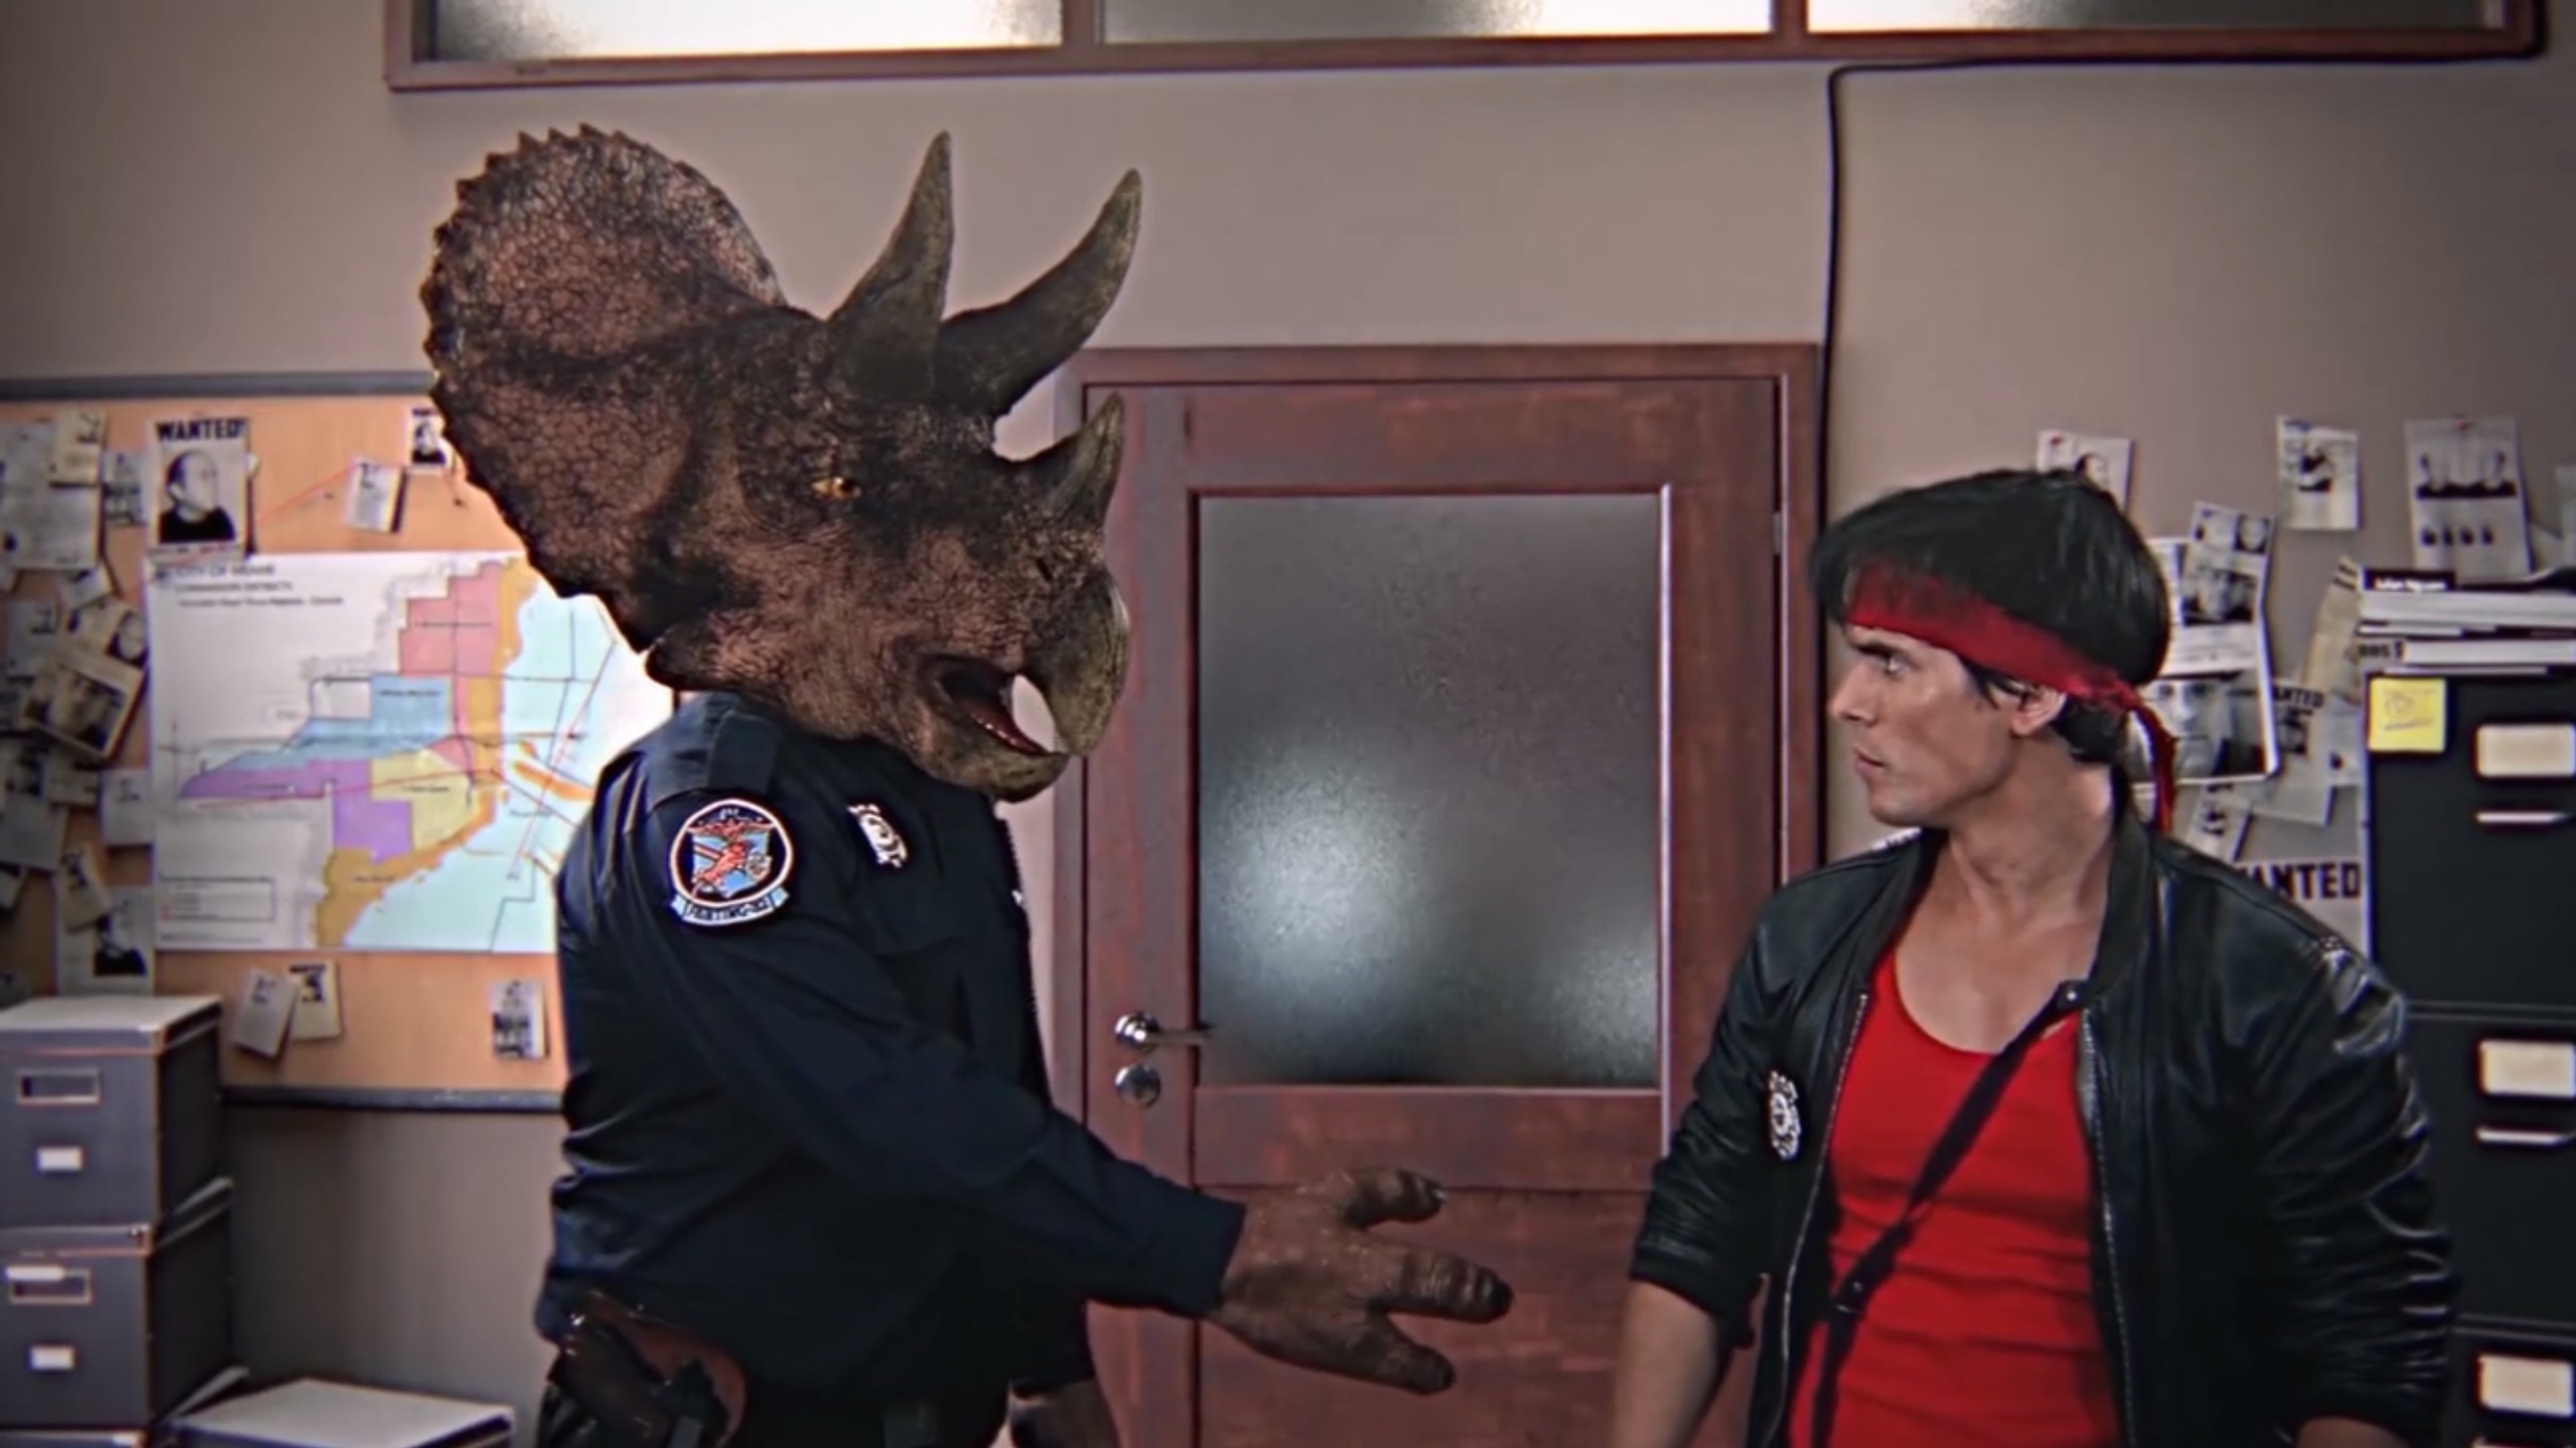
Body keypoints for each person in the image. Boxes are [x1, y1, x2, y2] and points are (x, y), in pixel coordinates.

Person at [422, 127, 1511, 1448]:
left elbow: (987, 1086)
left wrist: (1051, 1371)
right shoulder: (709, 820)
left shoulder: (925, 793)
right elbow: (880, 1104)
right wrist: (1217, 1256)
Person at [1607, 468, 2454, 1448]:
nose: (1846, 702)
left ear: (2030, 694)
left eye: (1889, 663)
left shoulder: (2274, 989)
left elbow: (2370, 1345)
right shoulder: (1807, 942)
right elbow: (1698, 1236)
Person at [154, 449, 237, 546]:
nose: (214, 484)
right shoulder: (162, 527)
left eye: (214, 475)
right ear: (177, 491)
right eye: (203, 476)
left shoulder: (221, 520)